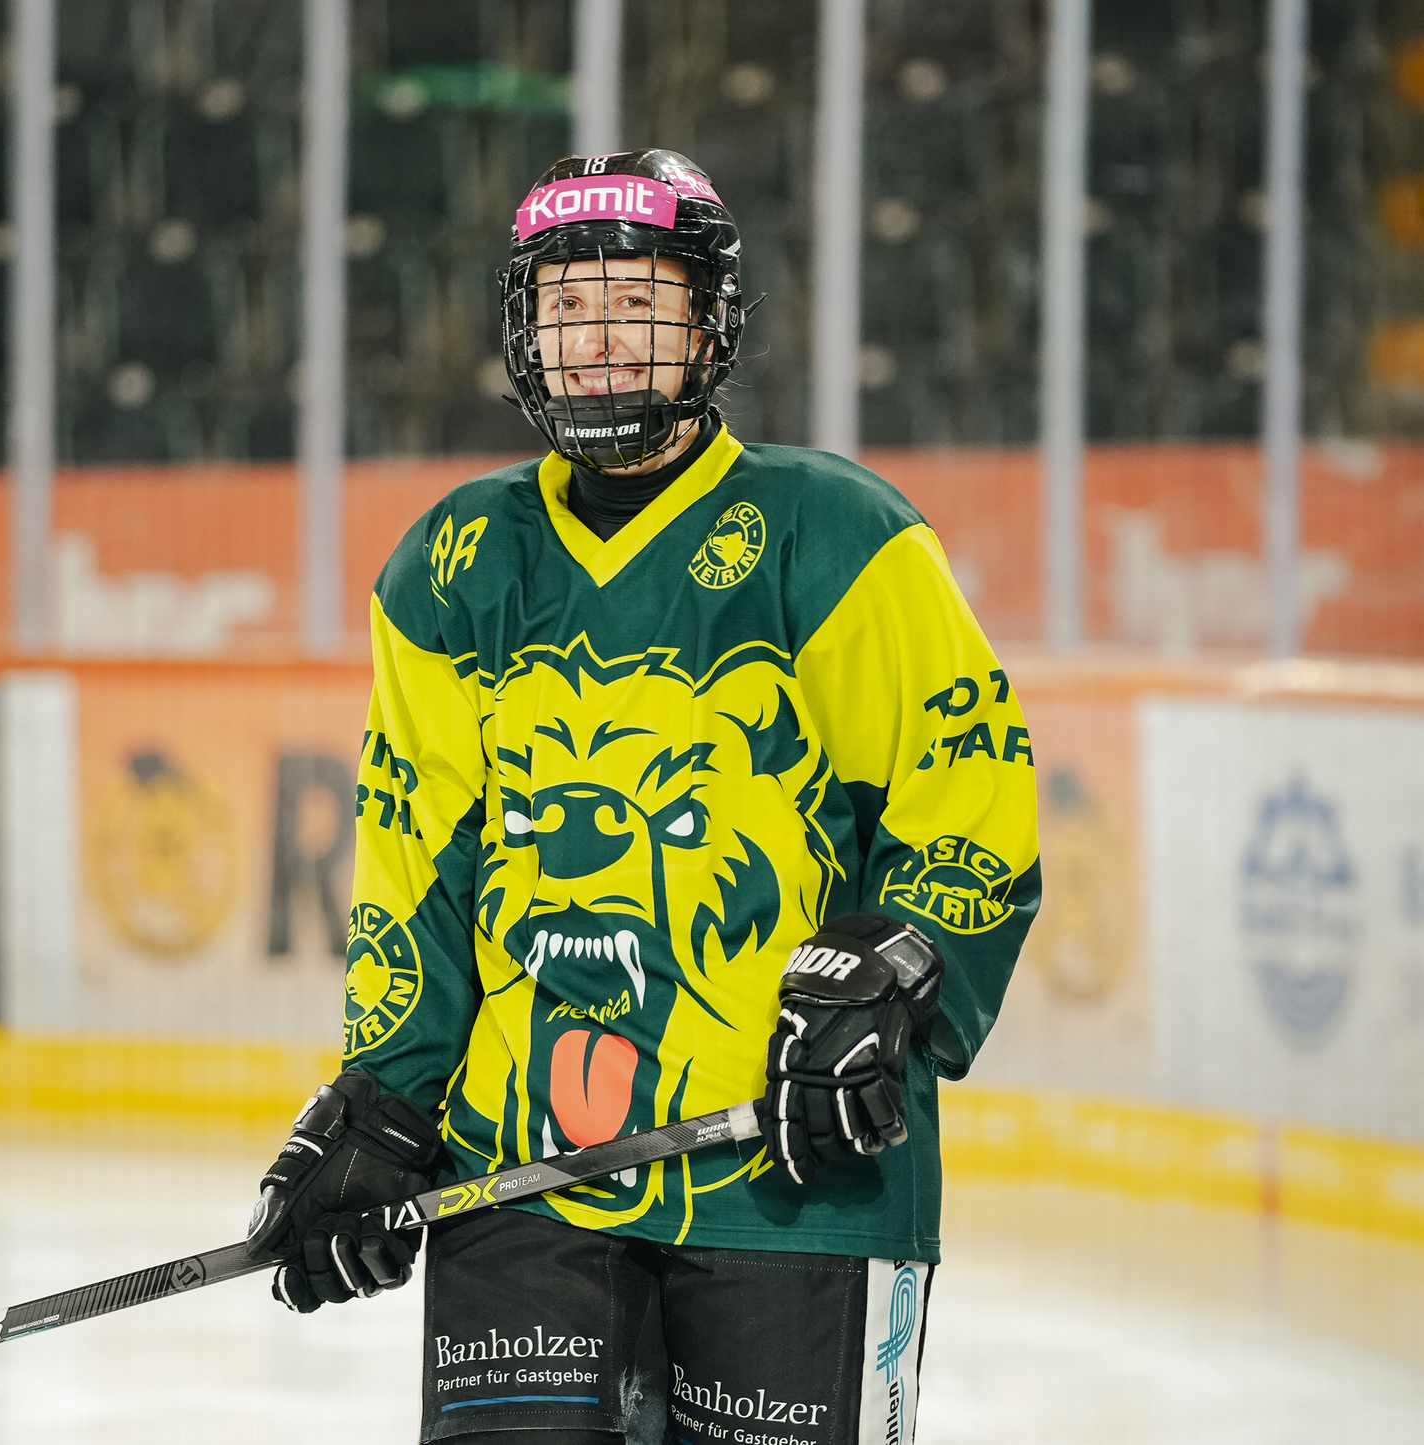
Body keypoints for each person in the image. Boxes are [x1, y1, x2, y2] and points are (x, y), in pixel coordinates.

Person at [246, 149, 1040, 1445]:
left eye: (637, 304)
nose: (600, 343)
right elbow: (416, 864)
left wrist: (900, 965)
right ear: (524, 332)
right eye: (569, 309)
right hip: (523, 1175)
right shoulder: (453, 569)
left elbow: (971, 797)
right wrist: (385, 1098)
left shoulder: (836, 537)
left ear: (707, 323)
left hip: (798, 1174)